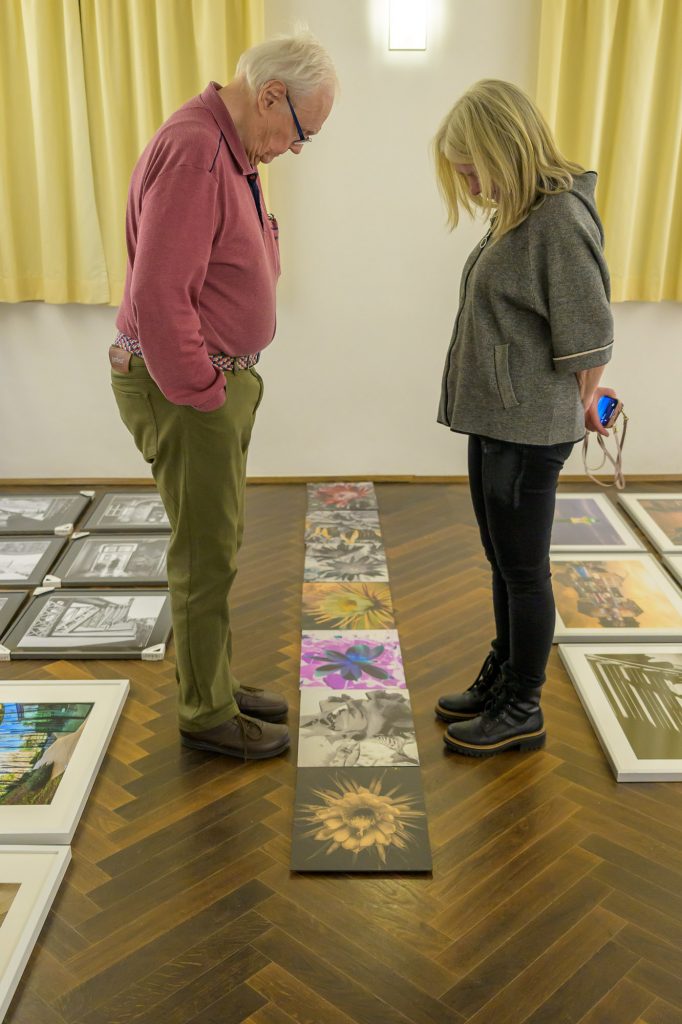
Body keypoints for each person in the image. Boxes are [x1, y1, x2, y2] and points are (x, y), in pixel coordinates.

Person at [110, 32, 337, 760]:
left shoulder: (230, 147)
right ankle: (205, 712)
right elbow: (158, 295)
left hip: (215, 377)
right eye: (300, 131)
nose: (296, 147)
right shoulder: (197, 153)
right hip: (188, 388)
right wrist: (205, 393)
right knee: (206, 551)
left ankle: (214, 681)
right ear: (271, 95)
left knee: (219, 540)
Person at [432, 80, 616, 756]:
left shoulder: (558, 219)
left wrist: (581, 407)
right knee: (503, 561)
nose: (470, 185)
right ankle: (504, 679)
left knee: (524, 570)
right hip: (498, 421)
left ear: (501, 148)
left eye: (471, 170)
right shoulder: (518, 212)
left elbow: (591, 338)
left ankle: (523, 707)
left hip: (528, 429)